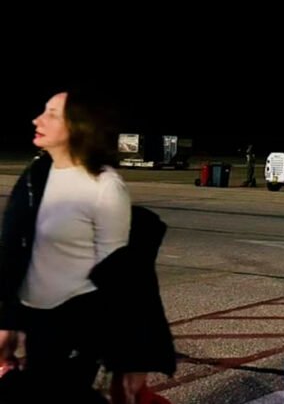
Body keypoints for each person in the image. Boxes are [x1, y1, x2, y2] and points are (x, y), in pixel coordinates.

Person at [1, 89, 175, 403]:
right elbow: (15, 252)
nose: (37, 120)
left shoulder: (104, 186)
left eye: (52, 114)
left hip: (78, 323)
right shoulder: (36, 176)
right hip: (37, 320)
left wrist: (132, 357)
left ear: (78, 126)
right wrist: (7, 323)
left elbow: (120, 275)